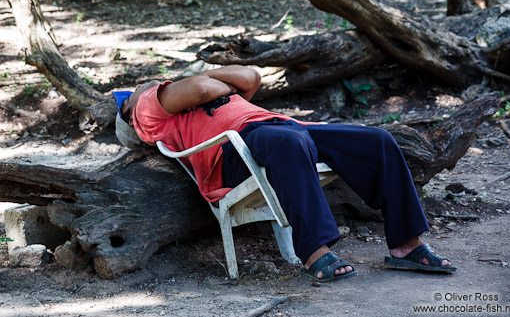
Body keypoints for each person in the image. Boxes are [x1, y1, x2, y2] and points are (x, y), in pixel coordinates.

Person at [113, 65, 456, 282]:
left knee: (377, 140)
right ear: (130, 117)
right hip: (234, 152)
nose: (148, 83)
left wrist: (205, 76)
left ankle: (406, 244)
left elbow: (251, 77)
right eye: (136, 92)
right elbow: (204, 90)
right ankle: (314, 251)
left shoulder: (179, 96)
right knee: (289, 143)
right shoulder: (145, 112)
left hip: (280, 129)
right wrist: (204, 81)